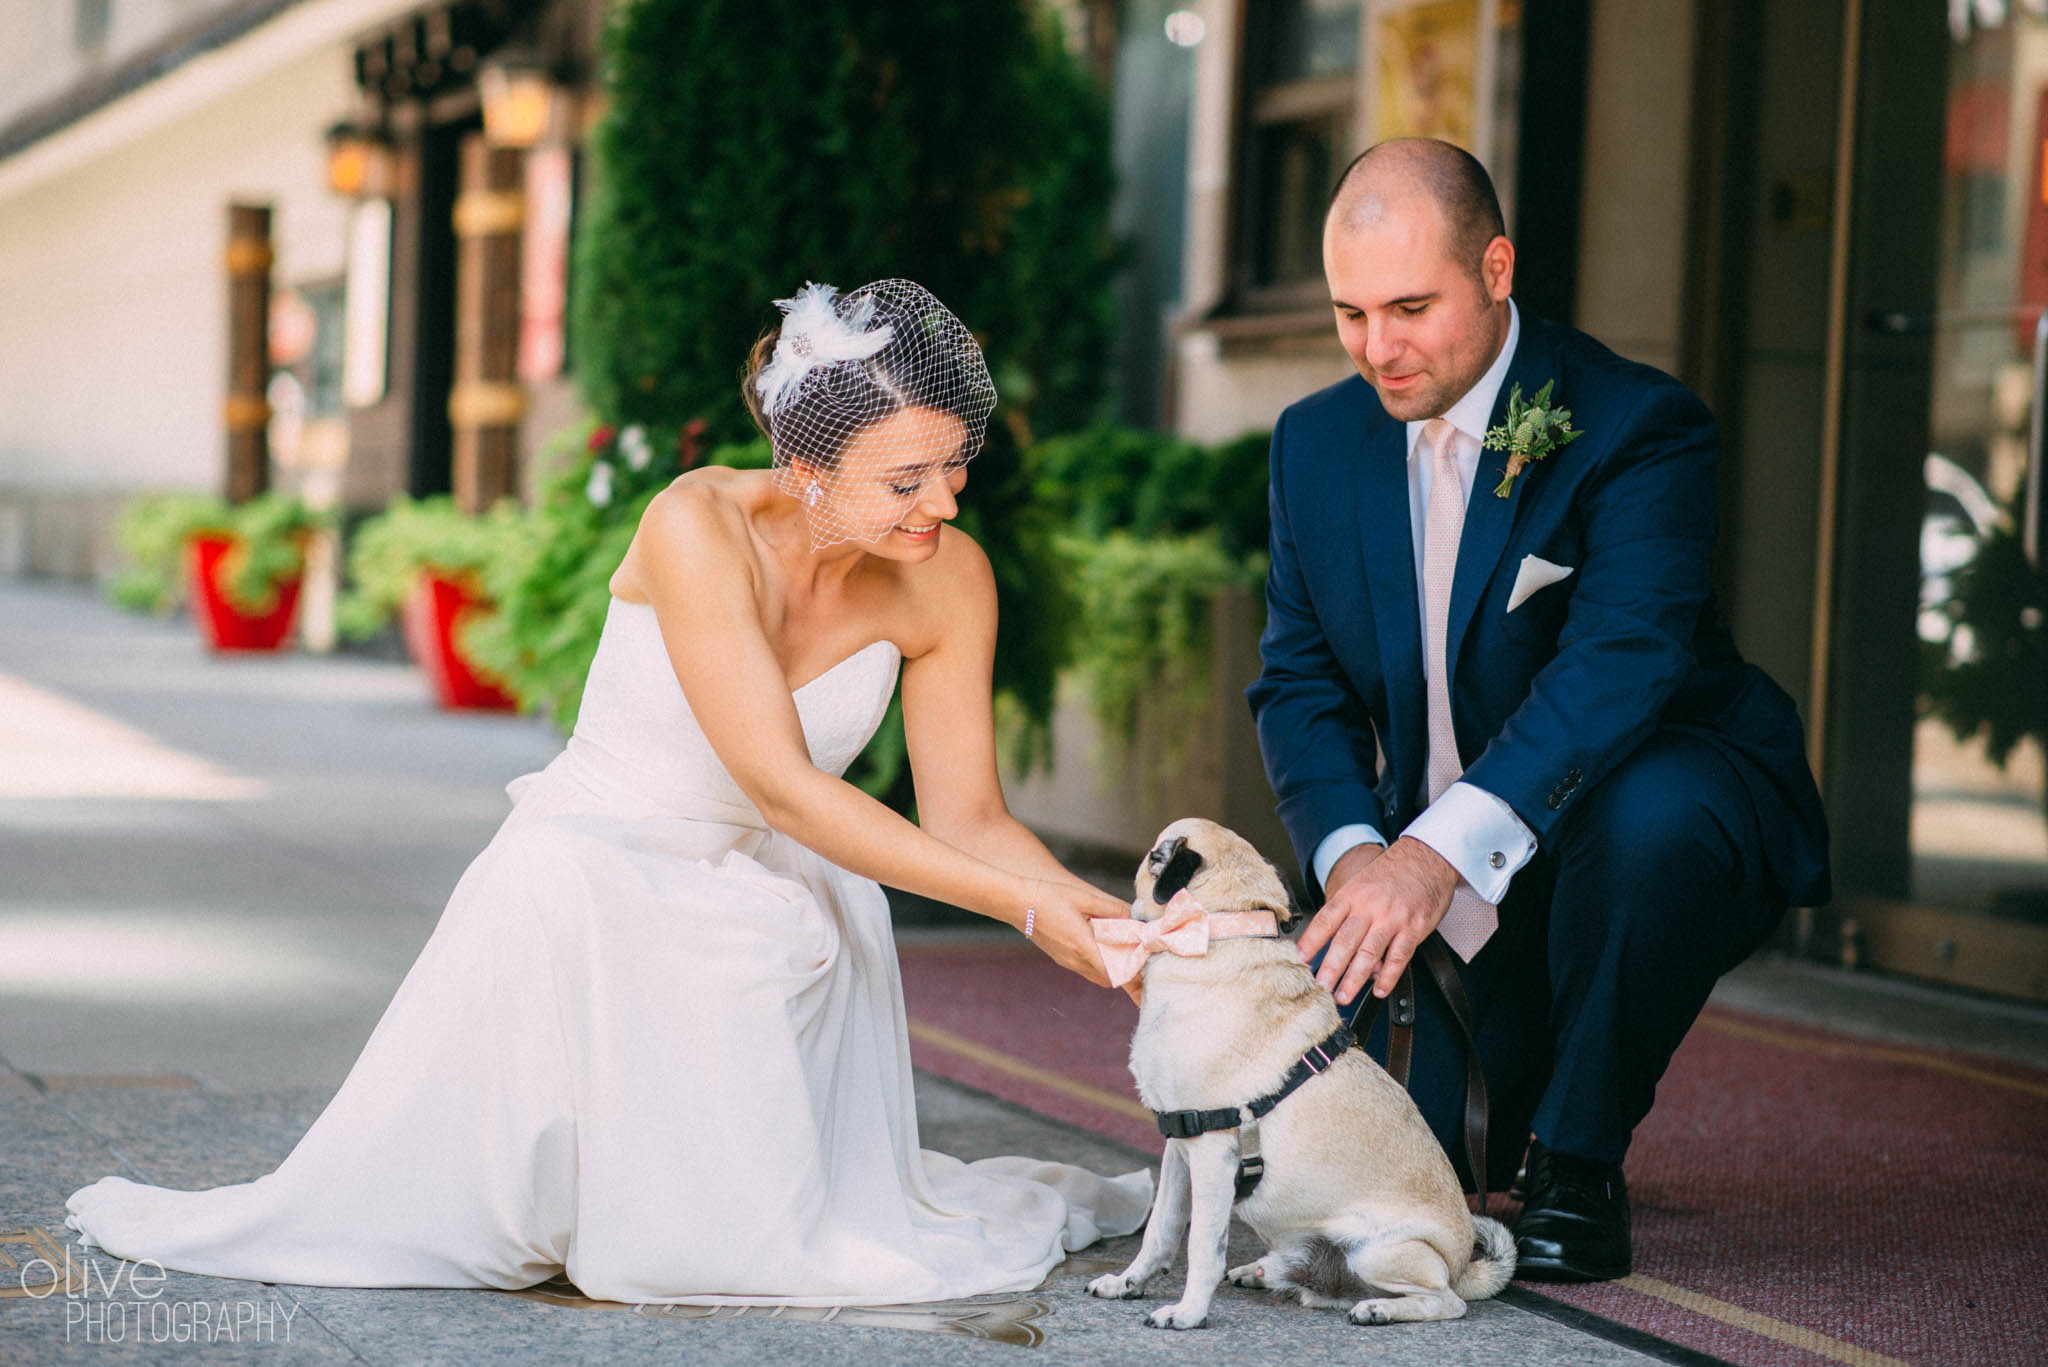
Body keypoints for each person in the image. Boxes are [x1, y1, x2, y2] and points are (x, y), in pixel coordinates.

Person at [67, 278, 1151, 1304]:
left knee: (821, 913)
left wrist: (1097, 915)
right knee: (570, 886)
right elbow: (778, 784)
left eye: (954, 465)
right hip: (595, 863)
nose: (944, 500)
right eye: (906, 479)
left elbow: (968, 816)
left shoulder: (948, 574)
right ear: (807, 464)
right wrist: (1019, 908)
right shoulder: (694, 525)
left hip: (778, 884)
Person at [1246, 141, 1830, 1282]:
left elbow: (1621, 660)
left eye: (1410, 306)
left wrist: (1433, 853)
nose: (1378, 347)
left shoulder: (1634, 424)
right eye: (1350, 313)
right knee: (1369, 1178)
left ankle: (1576, 1157)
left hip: (1643, 813)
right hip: (1433, 857)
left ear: (1496, 267)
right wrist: (1358, 856)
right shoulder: (1312, 442)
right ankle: (1509, 1097)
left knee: (1650, 815)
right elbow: (1296, 680)